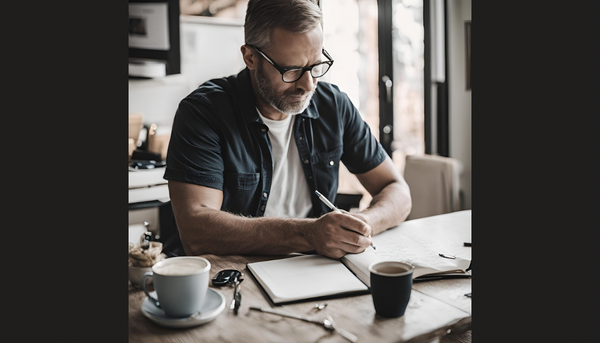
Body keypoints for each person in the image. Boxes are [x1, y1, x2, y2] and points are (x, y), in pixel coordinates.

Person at [164, 0, 412, 259]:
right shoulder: (204, 113)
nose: (308, 85)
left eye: (315, 66)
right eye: (292, 70)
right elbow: (196, 231)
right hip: (235, 271)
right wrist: (309, 234)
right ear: (250, 57)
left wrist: (361, 226)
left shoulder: (334, 106)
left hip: (312, 267)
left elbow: (397, 191)